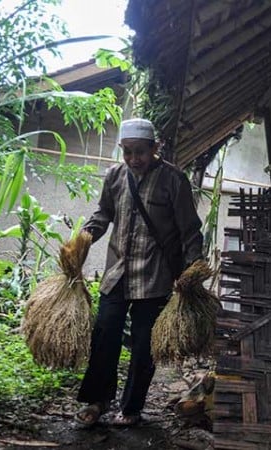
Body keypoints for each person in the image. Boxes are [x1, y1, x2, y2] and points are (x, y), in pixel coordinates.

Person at [74, 118, 203, 427]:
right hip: (117, 273)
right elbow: (104, 212)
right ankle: (97, 401)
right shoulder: (115, 176)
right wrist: (86, 236)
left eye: (140, 152)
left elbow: (190, 231)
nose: (134, 159)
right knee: (104, 333)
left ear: (155, 148)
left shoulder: (174, 180)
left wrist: (192, 274)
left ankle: (131, 408)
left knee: (145, 345)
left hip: (155, 278)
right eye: (127, 152)